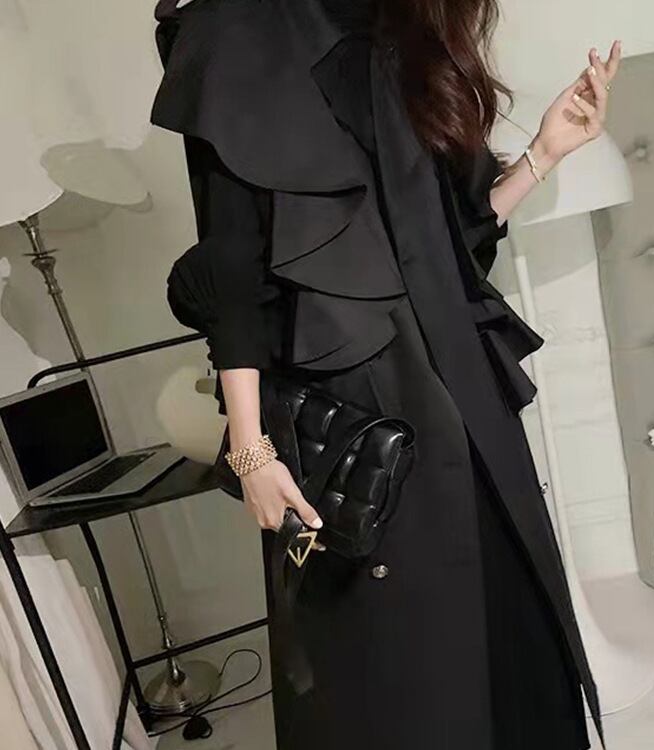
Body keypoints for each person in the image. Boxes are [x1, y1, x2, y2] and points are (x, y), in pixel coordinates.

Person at [150, 1, 621, 748]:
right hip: (359, 411)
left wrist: (545, 151)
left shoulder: (407, 22)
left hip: (463, 390)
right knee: (402, 669)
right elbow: (233, 264)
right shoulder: (236, 27)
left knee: (512, 630)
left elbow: (446, 243)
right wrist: (250, 447)